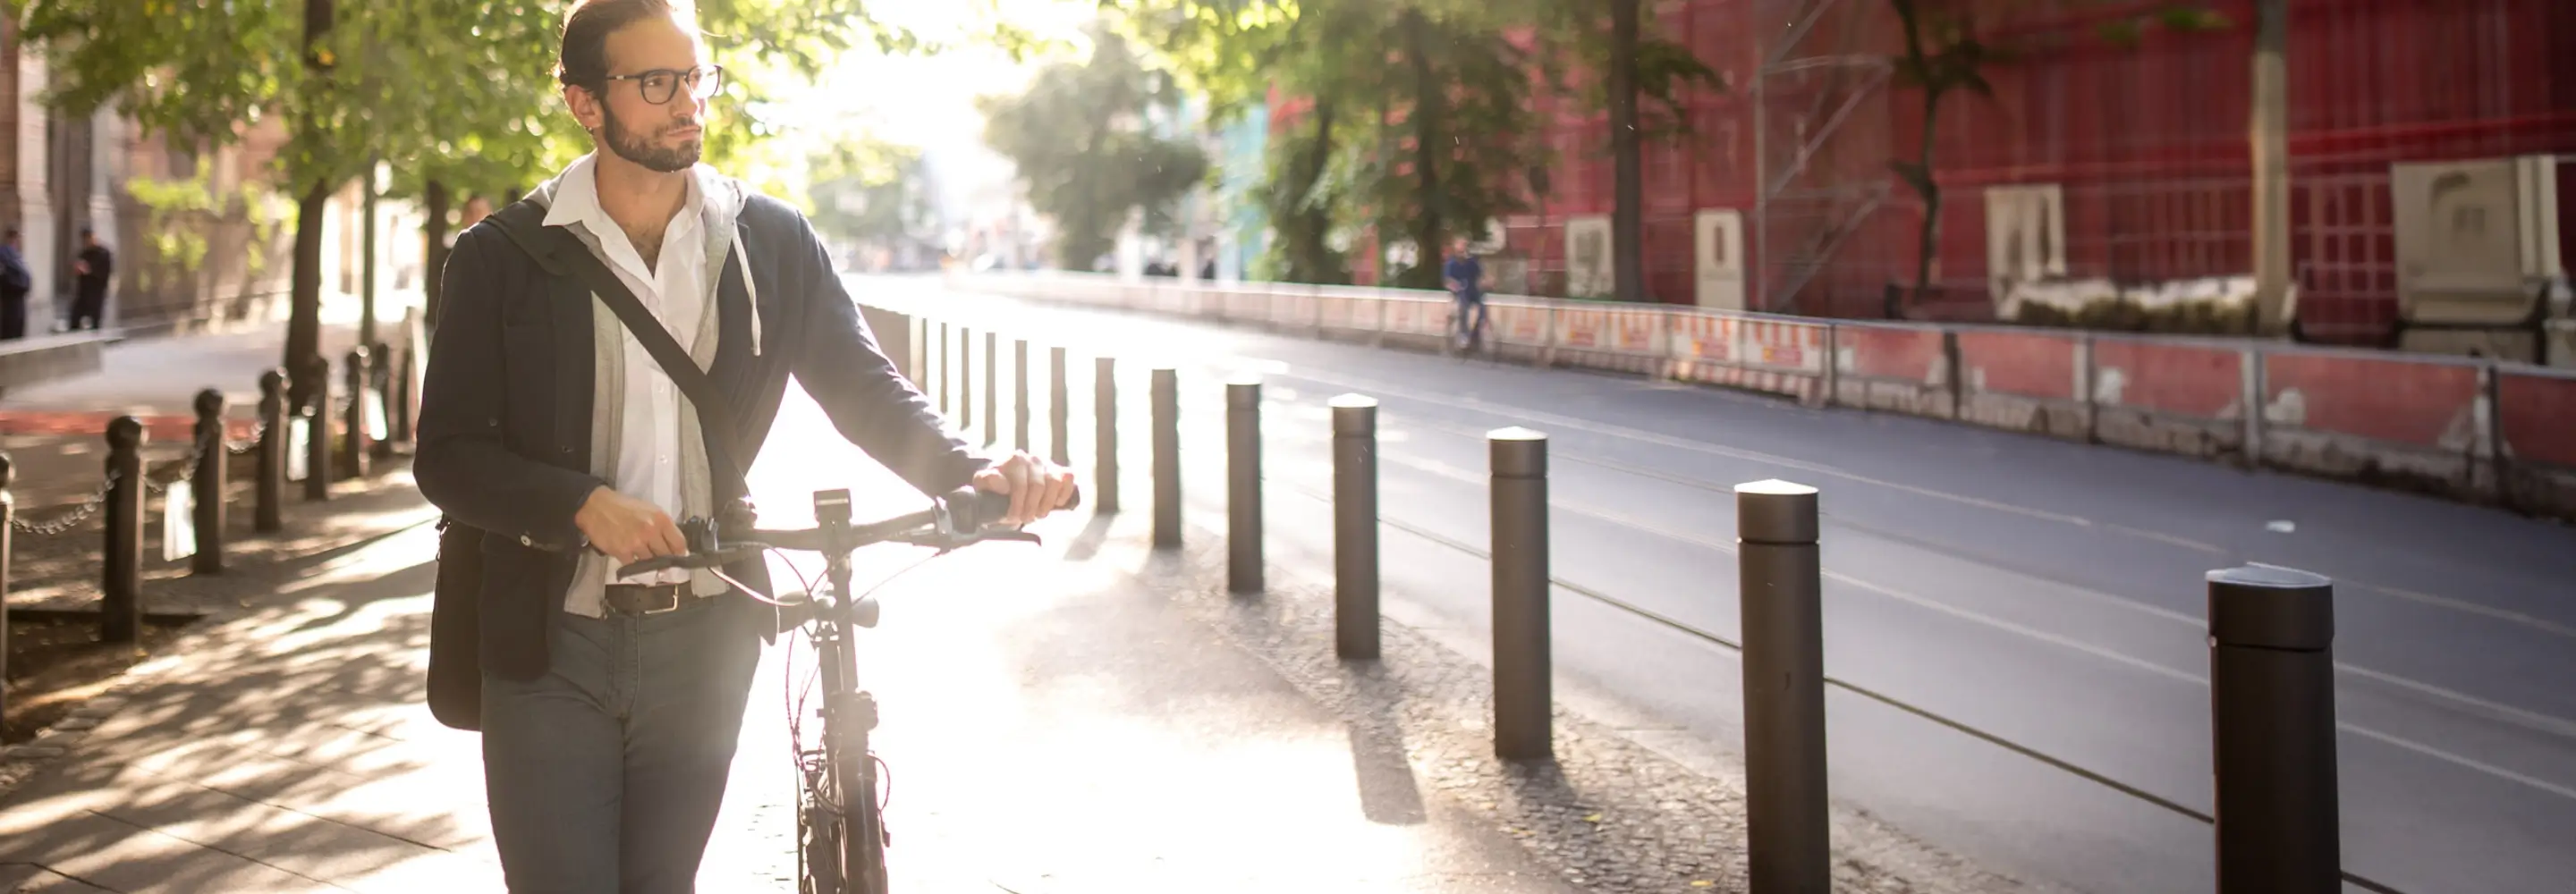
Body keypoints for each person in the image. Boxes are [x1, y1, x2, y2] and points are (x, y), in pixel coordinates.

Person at [411, 1, 1079, 890]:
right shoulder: (502, 257)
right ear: (585, 103)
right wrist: (578, 503)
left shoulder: (767, 241)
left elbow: (862, 386)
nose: (688, 102)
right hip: (550, 642)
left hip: (706, 639)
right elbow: (448, 455)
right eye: (657, 83)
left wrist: (971, 467)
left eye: (696, 78)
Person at [1442, 236, 1488, 350]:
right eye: (1460, 244)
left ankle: (1475, 335)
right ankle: (1464, 334)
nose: (1462, 247)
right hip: (1460, 292)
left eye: (1464, 245)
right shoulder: (1451, 263)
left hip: (1472, 290)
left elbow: (1480, 276)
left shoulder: (1471, 262)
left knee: (1482, 309)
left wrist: (1486, 282)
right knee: (1464, 308)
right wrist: (1455, 286)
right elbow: (1447, 280)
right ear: (1455, 247)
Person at [69, 225, 112, 331]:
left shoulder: (103, 253)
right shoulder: (84, 253)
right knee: (75, 315)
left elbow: (104, 271)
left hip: (97, 289)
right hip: (84, 290)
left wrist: (88, 270)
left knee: (95, 316)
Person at [0, 228, 31, 340]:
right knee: (10, 329)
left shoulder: (16, 255)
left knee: (18, 329)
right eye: (18, 238)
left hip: (19, 297)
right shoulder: (4, 253)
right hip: (10, 297)